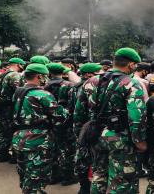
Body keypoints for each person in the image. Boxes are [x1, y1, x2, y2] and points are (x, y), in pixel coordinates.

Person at [89, 48, 146, 193]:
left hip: (96, 134)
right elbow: (136, 116)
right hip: (120, 137)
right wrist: (139, 141)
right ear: (131, 65)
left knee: (99, 175)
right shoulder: (131, 83)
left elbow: (80, 112)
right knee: (121, 180)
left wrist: (82, 135)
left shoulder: (93, 81)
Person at [12, 63, 68, 194]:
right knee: (37, 176)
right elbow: (60, 117)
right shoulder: (42, 94)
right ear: (39, 76)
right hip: (38, 140)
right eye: (45, 76)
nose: (47, 79)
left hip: (19, 137)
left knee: (25, 173)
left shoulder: (18, 91)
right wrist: (65, 110)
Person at [44, 62, 76, 185]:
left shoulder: (45, 86)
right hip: (66, 122)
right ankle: (68, 177)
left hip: (50, 122)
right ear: (63, 72)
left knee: (52, 148)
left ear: (50, 73)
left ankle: (54, 175)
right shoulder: (69, 85)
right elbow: (73, 105)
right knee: (68, 149)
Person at [72, 63, 102, 194]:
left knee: (82, 159)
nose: (101, 74)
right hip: (90, 128)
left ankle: (84, 187)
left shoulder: (73, 86)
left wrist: (78, 132)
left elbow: (76, 112)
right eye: (98, 72)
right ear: (88, 74)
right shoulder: (91, 86)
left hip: (82, 128)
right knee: (93, 160)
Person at [0, 57, 25, 163]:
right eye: (22, 65)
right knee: (14, 130)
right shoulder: (15, 75)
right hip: (10, 106)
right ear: (18, 64)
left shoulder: (2, 75)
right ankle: (14, 156)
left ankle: (2, 154)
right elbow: (19, 91)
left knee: (4, 130)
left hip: (1, 105)